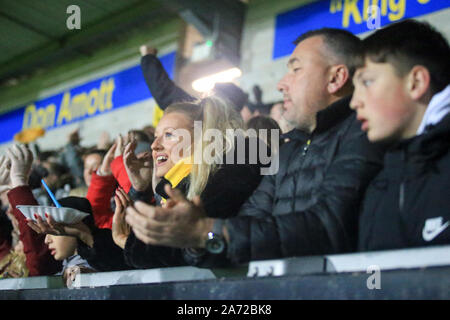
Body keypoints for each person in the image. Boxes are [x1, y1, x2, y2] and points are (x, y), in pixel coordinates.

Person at [125, 28, 384, 267]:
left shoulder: (366, 133)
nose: (282, 83)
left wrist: (206, 232)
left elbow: (329, 226)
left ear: (336, 77)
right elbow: (247, 224)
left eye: (295, 70)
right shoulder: (288, 150)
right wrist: (201, 239)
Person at [120, 96, 269, 269]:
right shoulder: (185, 182)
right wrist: (143, 190)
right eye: (155, 136)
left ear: (203, 139)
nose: (154, 145)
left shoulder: (229, 174)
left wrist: (125, 241)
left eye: (168, 135)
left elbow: (152, 255)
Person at [350, 20, 450, 251]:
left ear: (415, 82)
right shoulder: (380, 185)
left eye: (367, 82)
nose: (355, 102)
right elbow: (373, 281)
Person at [139, 45, 252, 122]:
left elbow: (166, 92)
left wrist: (148, 58)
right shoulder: (238, 134)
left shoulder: (201, 116)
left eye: (210, 92)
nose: (203, 94)